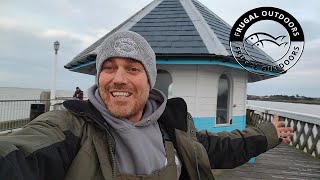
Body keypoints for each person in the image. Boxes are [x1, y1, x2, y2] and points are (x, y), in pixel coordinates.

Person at [0, 31, 294, 180]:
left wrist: (268, 133)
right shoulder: (68, 127)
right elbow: (20, 153)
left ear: (150, 79)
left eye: (133, 69)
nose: (118, 79)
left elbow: (218, 148)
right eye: (109, 67)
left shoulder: (174, 126)